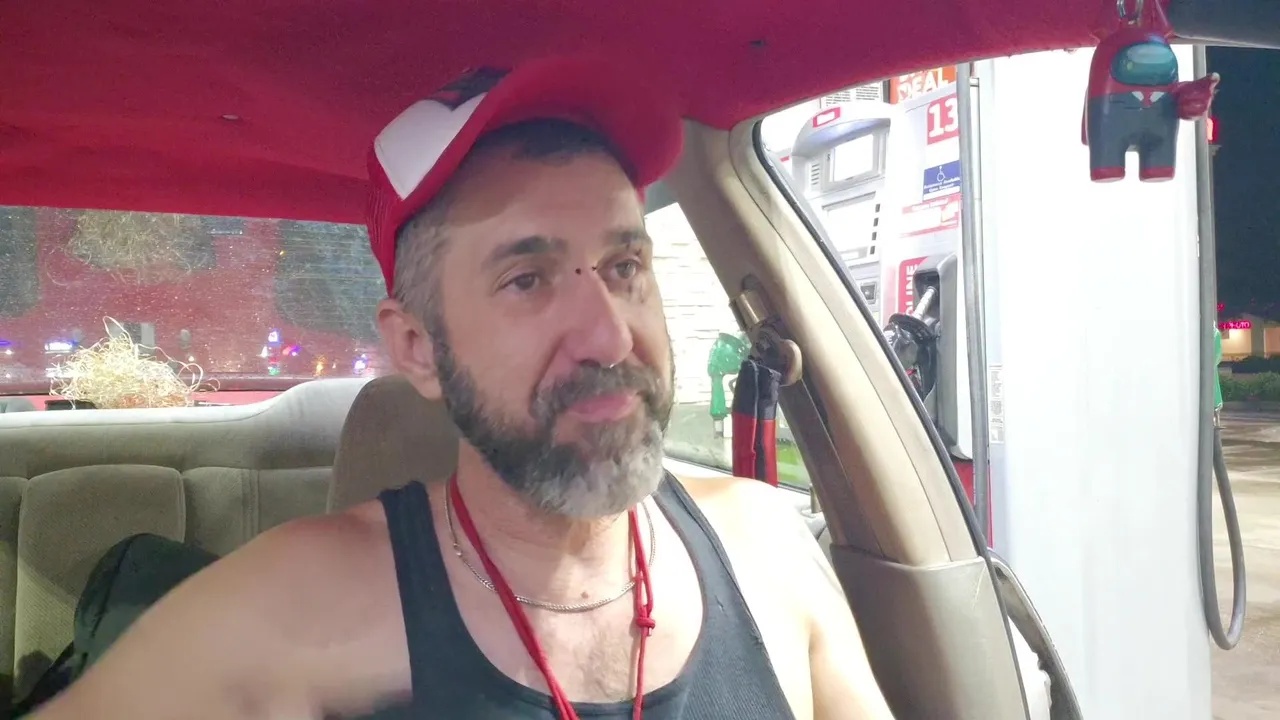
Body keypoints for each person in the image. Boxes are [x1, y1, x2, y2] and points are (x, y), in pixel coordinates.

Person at [29, 56, 894, 720]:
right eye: (528, 280)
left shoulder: (769, 550)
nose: (609, 335)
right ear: (418, 349)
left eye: (625, 265)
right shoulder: (294, 607)